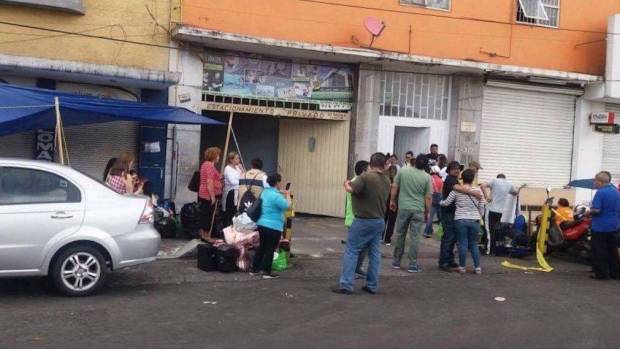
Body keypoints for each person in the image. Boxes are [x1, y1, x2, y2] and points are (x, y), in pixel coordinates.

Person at [334, 153, 391, 295]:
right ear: (383, 165)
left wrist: (346, 183)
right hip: (379, 221)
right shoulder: (386, 180)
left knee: (351, 250)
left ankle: (346, 285)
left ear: (370, 164)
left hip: (363, 220)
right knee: (374, 253)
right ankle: (372, 285)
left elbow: (351, 189)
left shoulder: (365, 177)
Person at [390, 154, 432, 273]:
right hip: (418, 209)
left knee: (400, 234)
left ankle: (396, 261)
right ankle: (412, 264)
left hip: (403, 207)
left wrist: (392, 200)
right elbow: (428, 197)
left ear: (415, 161)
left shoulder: (403, 171)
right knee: (415, 237)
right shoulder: (427, 177)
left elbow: (395, 186)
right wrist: (427, 212)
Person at [440, 169, 485, 275]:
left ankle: (462, 267)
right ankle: (478, 268)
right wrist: (479, 216)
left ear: (462, 178)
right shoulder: (478, 191)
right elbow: (482, 207)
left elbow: (446, 203)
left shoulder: (457, 191)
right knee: (474, 244)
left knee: (462, 243)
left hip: (460, 220)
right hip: (474, 220)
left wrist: (439, 201)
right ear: (473, 179)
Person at [250, 173, 292, 279]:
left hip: (262, 224)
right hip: (273, 226)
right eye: (280, 181)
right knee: (270, 249)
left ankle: (255, 269)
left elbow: (274, 196)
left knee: (262, 247)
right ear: (277, 182)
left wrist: (281, 192)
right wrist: (287, 194)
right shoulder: (276, 196)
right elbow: (288, 206)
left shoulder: (265, 192)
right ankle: (266, 272)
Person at [587, 171, 620, 280]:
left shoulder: (600, 192)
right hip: (614, 225)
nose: (594, 183)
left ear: (600, 182)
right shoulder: (616, 191)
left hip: (600, 226)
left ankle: (601, 274)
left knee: (599, 250)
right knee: (612, 250)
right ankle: (614, 273)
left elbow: (596, 209)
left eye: (595, 181)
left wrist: (588, 212)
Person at [480, 174, 518, 255]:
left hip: (490, 209)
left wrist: (487, 197)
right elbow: (515, 192)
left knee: (488, 230)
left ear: (498, 177)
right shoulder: (509, 184)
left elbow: (482, 185)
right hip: (501, 212)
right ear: (504, 178)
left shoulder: (494, 180)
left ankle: (489, 250)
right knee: (495, 230)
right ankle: (494, 249)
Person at [344, 160, 370, 279]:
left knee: (361, 247)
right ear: (364, 171)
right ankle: (353, 271)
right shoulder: (357, 183)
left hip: (354, 218)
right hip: (355, 219)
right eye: (368, 170)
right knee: (357, 248)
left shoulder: (354, 181)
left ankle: (356, 269)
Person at [438, 161, 462, 272]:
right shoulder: (450, 180)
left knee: (453, 238)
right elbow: (458, 189)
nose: (456, 170)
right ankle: (444, 262)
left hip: (453, 212)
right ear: (449, 170)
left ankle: (450, 259)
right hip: (448, 213)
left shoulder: (454, 179)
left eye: (458, 168)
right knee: (448, 237)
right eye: (454, 168)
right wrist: (474, 192)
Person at [199, 147, 223, 242]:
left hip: (204, 194)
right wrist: (212, 197)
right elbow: (209, 182)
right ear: (214, 156)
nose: (219, 157)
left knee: (206, 214)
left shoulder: (206, 165)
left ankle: (205, 234)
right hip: (207, 195)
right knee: (207, 215)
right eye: (218, 155)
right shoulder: (209, 166)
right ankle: (206, 235)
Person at [222, 152, 244, 227]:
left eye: (238, 158)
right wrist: (241, 181)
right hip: (231, 193)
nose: (238, 160)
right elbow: (232, 181)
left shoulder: (238, 168)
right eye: (236, 158)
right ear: (231, 160)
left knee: (236, 211)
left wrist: (242, 169)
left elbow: (244, 177)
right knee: (229, 212)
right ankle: (227, 230)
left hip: (238, 192)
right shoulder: (227, 169)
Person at [424, 166, 444, 238]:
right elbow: (441, 192)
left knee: (430, 216)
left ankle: (427, 232)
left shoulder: (428, 178)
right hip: (439, 197)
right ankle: (441, 232)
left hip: (431, 197)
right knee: (441, 217)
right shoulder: (440, 180)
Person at [383, 165, 398, 245]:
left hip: (385, 202)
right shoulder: (397, 181)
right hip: (394, 202)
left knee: (384, 220)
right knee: (391, 222)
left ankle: (381, 237)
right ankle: (387, 239)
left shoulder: (385, 180)